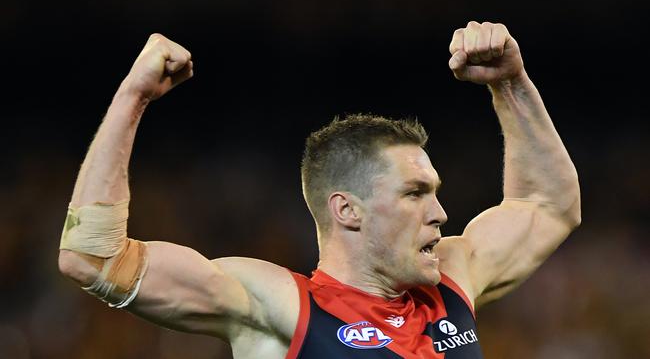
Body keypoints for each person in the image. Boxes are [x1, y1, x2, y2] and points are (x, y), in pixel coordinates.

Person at [58, 21, 581, 358]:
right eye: (414, 193)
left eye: (435, 191)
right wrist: (132, 96)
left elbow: (550, 206)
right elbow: (91, 258)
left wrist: (510, 85)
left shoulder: (453, 278)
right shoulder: (276, 306)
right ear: (347, 210)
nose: (442, 213)